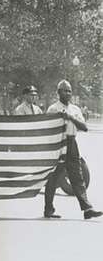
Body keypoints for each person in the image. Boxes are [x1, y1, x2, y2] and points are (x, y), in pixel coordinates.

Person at [43, 80, 101, 219]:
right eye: (64, 90)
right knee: (53, 177)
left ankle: (87, 209)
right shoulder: (53, 108)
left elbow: (84, 127)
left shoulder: (75, 109)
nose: (67, 93)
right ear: (58, 92)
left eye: (69, 91)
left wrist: (71, 118)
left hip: (71, 142)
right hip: (57, 143)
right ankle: (48, 209)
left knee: (77, 176)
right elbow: (46, 127)